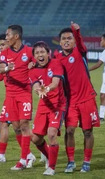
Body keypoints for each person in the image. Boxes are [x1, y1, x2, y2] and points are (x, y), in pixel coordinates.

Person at [0, 34, 36, 168]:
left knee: (20, 127)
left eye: (3, 44)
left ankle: (32, 153)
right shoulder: (5, 58)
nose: (1, 47)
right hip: (10, 97)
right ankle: (8, 155)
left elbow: (37, 66)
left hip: (20, 96)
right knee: (7, 124)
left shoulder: (23, 55)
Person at [55, 22, 100, 173]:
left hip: (87, 98)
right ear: (59, 42)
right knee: (69, 131)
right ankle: (71, 161)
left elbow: (80, 41)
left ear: (74, 41)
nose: (66, 40)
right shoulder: (57, 58)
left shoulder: (80, 52)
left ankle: (86, 161)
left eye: (69, 38)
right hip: (71, 101)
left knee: (87, 132)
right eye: (63, 38)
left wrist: (77, 31)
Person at [29, 41, 66, 175]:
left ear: (48, 53)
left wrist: (47, 88)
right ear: (34, 56)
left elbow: (55, 83)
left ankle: (51, 167)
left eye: (42, 52)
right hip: (43, 105)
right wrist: (39, 91)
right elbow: (35, 87)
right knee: (35, 139)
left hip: (57, 105)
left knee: (51, 134)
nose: (40, 55)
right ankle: (49, 155)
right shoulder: (32, 71)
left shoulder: (55, 63)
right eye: (37, 53)